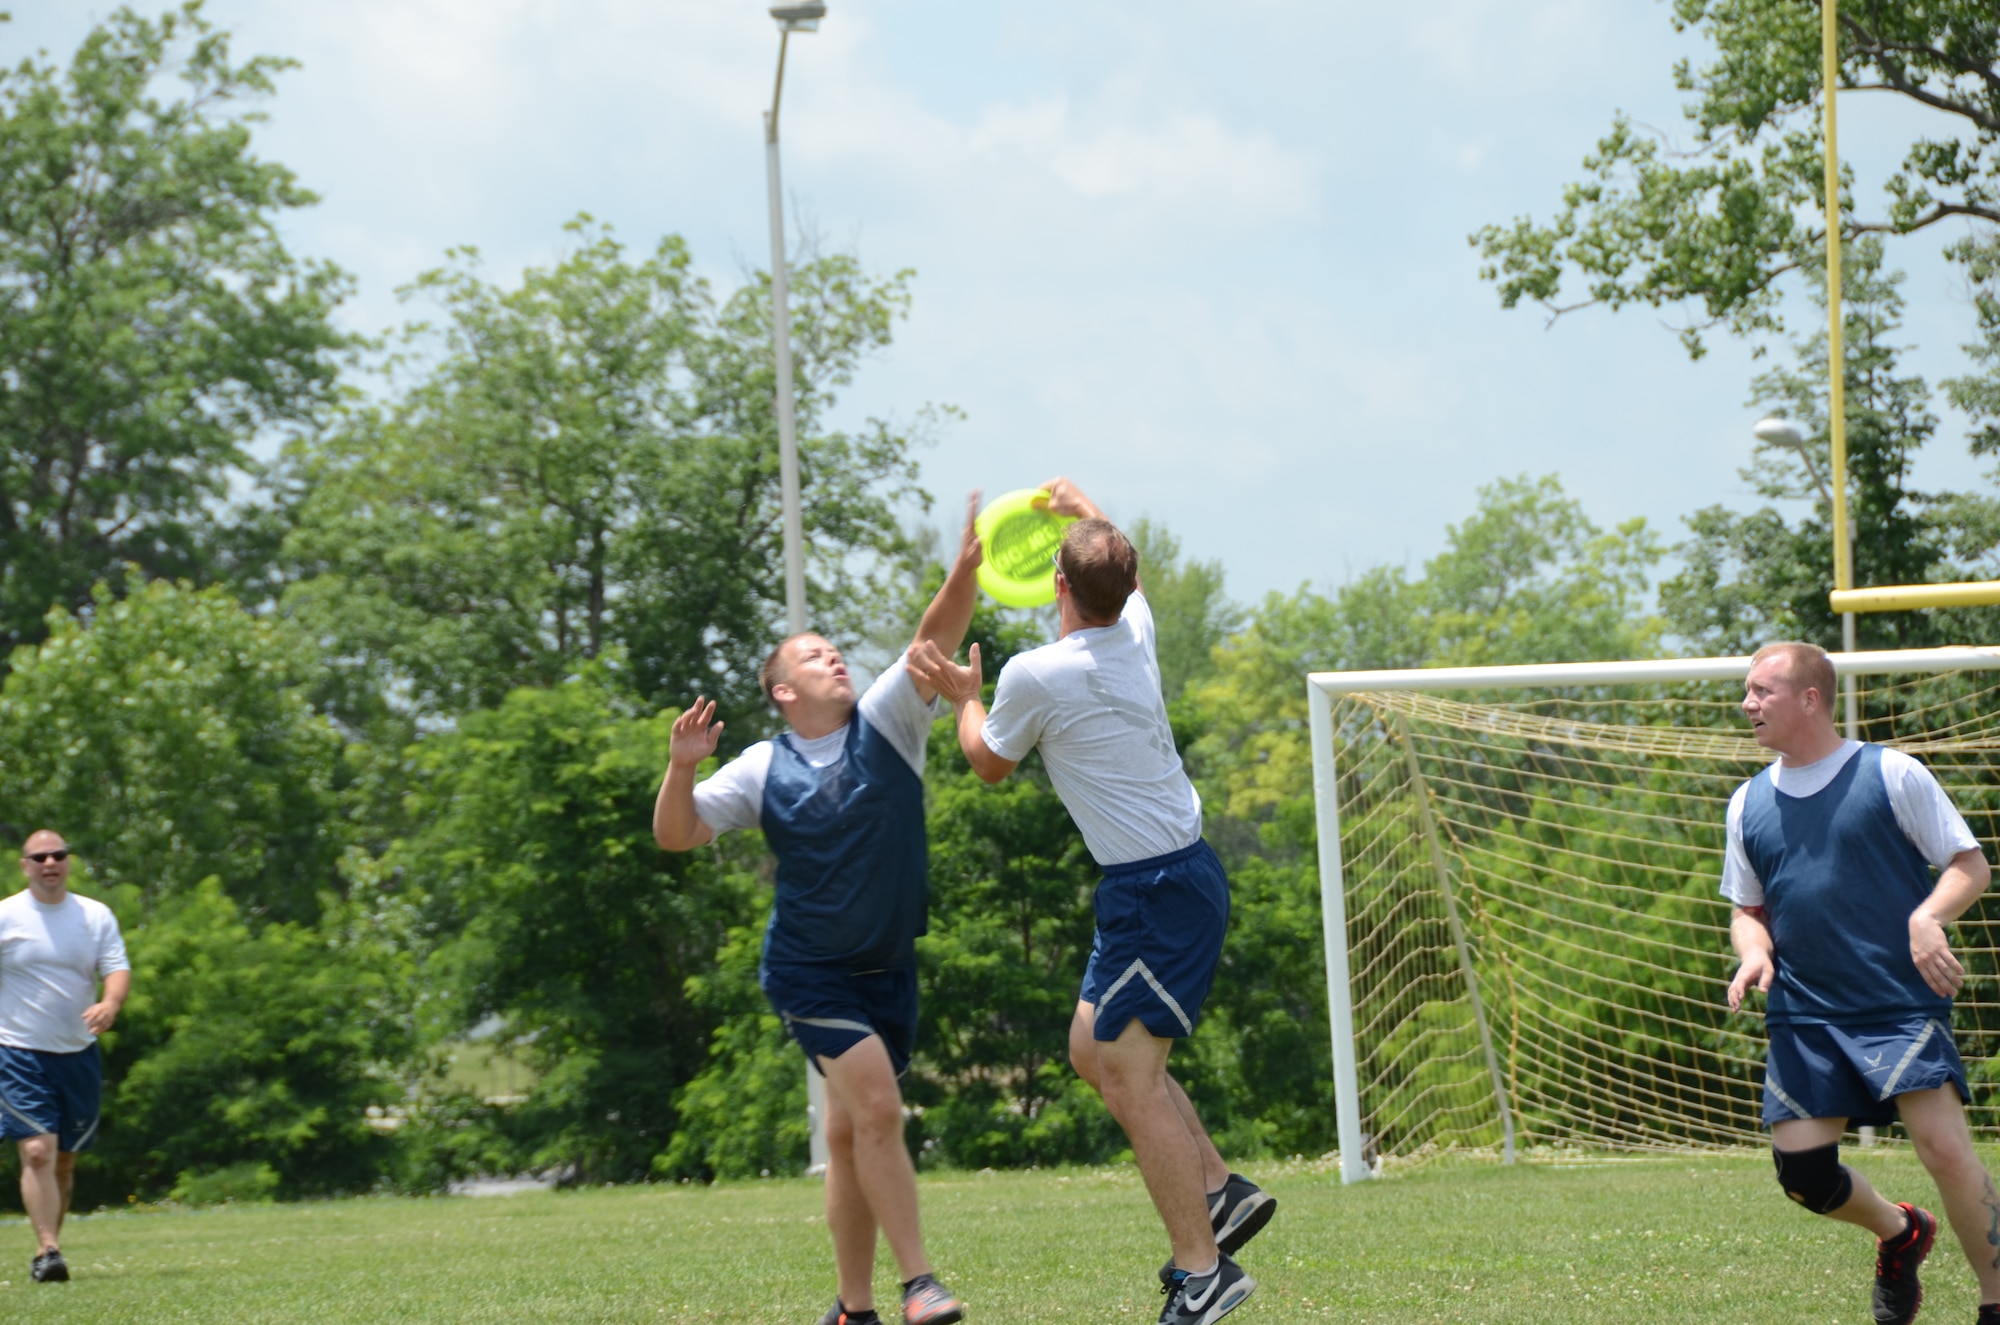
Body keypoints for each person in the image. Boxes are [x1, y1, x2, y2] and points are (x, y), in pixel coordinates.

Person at [907, 478, 1271, 1325]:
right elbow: (1123, 571)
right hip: (1158, 884)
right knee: (1089, 1048)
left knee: (1132, 1080)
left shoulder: (1036, 672)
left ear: (1056, 587)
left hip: (1156, 890)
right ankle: (1218, 1188)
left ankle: (1204, 1272)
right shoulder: (1135, 631)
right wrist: (1084, 509)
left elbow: (990, 763)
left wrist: (965, 696)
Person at [654, 495, 984, 1325]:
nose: (834, 658)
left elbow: (929, 643)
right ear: (781, 688)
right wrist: (682, 768)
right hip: (810, 971)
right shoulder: (764, 766)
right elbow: (678, 833)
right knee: (878, 1110)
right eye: (813, 656)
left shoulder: (889, 719)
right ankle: (920, 1283)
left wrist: (966, 572)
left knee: (846, 1137)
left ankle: (851, 1308)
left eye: (835, 650)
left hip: (887, 969)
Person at [1724, 642, 2000, 1325]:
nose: (1747, 704)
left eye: (1762, 691)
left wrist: (1928, 915)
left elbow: (1970, 863)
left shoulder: (1892, 773)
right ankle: (1901, 1231)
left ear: (1811, 697)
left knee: (1942, 1148)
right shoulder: (1747, 803)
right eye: (1747, 691)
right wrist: (1753, 950)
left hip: (1896, 1003)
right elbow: (1746, 910)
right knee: (1805, 1179)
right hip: (1806, 1017)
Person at [0, 830, 131, 1284]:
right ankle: (47, 1249)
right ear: (25, 865)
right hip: (17, 1051)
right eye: (40, 857)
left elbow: (115, 967)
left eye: (58, 855)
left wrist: (111, 1003)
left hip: (77, 1052)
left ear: (68, 862)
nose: (50, 862)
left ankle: (49, 1247)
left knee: (64, 1161)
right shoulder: (6, 916)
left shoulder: (94, 915)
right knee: (37, 1151)